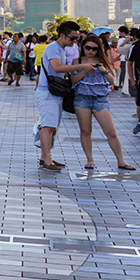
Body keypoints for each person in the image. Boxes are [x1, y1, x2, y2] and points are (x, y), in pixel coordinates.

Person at [70, 35, 135, 171]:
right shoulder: (78, 60)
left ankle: (121, 161)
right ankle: (90, 160)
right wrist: (85, 69)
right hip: (82, 98)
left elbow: (112, 80)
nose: (90, 51)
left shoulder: (103, 60)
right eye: (88, 47)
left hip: (100, 99)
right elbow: (74, 79)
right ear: (83, 47)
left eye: (94, 49)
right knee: (86, 131)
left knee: (111, 131)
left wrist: (103, 70)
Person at [37, 21, 92, 171]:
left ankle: (45, 157)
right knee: (48, 126)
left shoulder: (61, 48)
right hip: (48, 92)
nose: (75, 41)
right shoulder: (54, 48)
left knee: (51, 126)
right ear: (62, 35)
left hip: (54, 92)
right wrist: (82, 66)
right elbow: (57, 67)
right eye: (72, 38)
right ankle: (47, 160)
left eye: (77, 38)